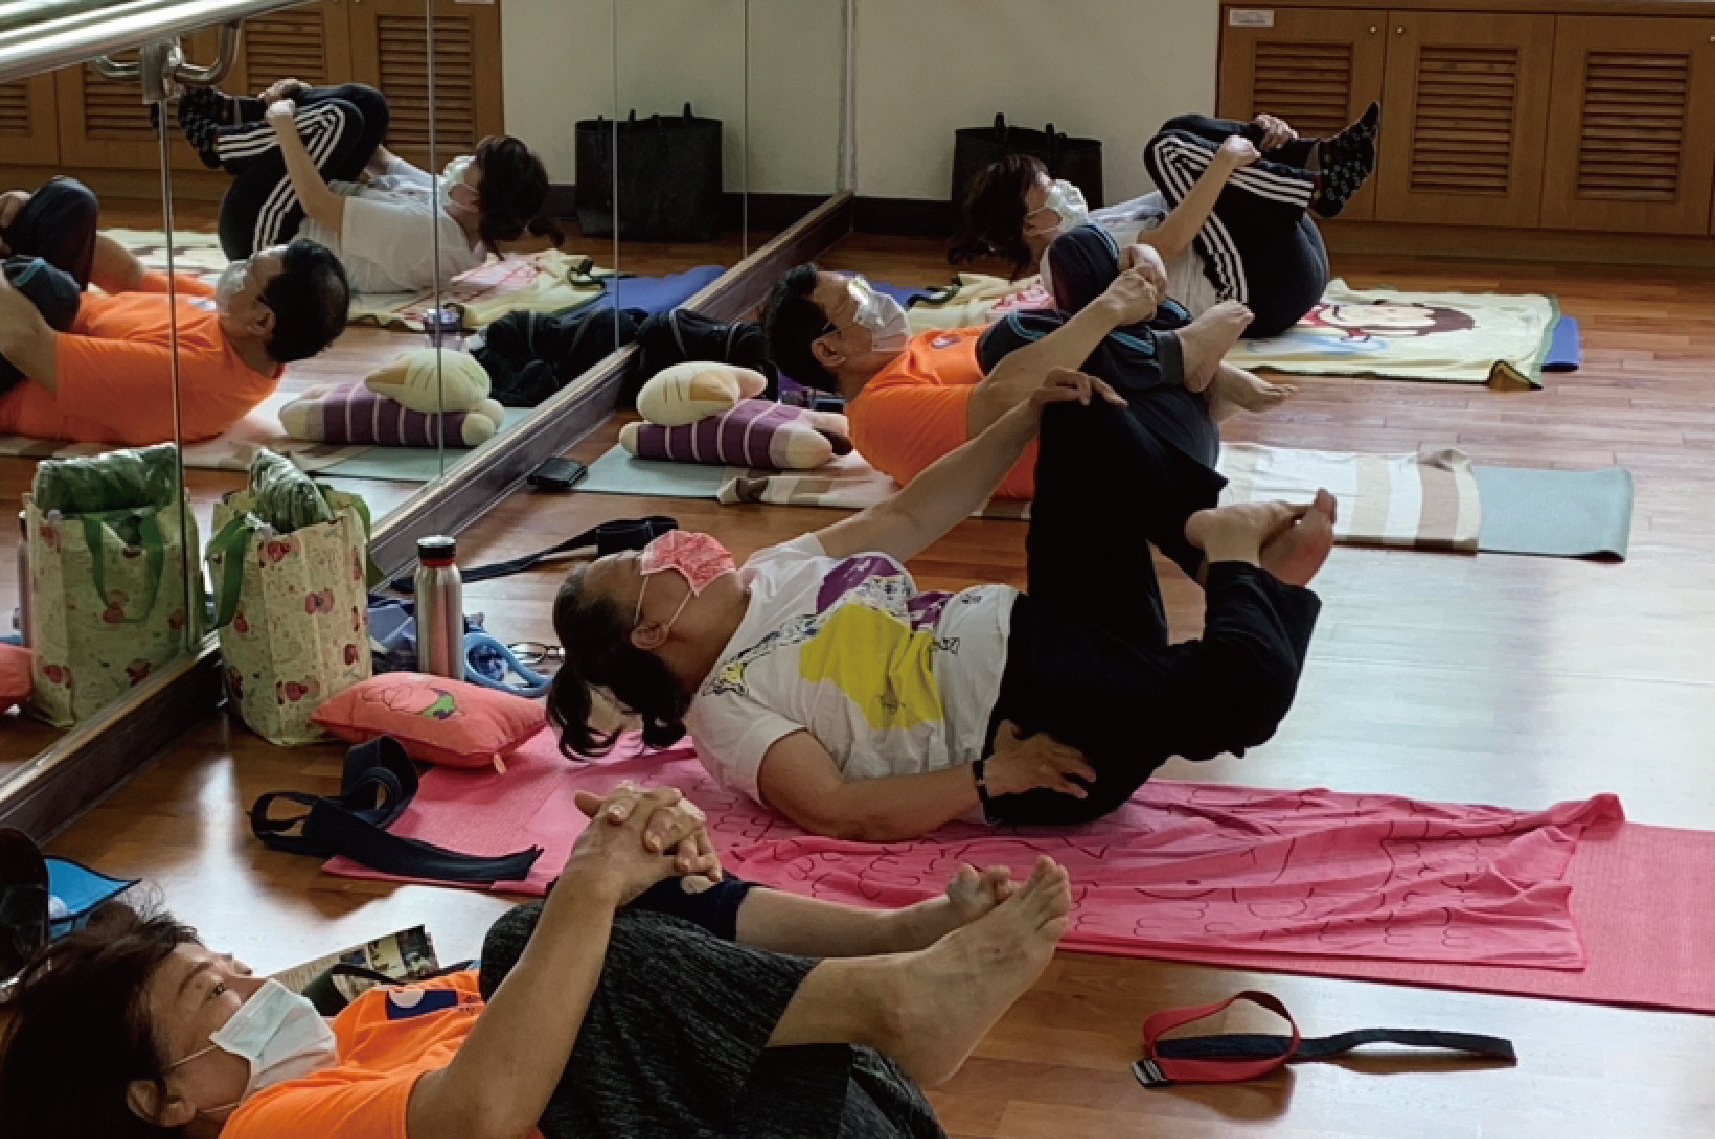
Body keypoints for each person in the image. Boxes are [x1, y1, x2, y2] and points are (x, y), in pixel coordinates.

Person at [0, 780, 1076, 1139]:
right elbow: (485, 1110)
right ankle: (898, 1004)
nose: (253, 983)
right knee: (542, 937)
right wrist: (590, 889)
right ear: (161, 1099)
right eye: (212, 991)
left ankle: (900, 947)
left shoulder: (362, 1031)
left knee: (569, 934)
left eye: (229, 960)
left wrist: (642, 848)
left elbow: (606, 985)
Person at [551, 249, 1336, 842]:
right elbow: (838, 808)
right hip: (1030, 726)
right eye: (645, 567)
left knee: (1077, 408)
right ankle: (1242, 571)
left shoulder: (769, 573)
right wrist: (990, 776)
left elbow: (911, 514)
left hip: (1035, 627)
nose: (669, 548)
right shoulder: (726, 712)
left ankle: (1217, 556)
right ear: (649, 632)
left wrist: (1022, 419)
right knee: (1244, 694)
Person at [759, 233, 1291, 501]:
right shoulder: (877, 416)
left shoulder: (921, 346)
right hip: (1152, 452)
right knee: (1008, 338)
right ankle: (1181, 356)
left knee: (1077, 252)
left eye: (861, 285)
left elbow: (1059, 323)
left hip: (1155, 409)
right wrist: (1110, 307)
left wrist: (1137, 268)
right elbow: (1005, 399)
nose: (874, 298)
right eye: (854, 300)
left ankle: (1190, 361)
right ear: (829, 351)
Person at [0, 176, 348, 445]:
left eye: (248, 272)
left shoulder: (195, 378)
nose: (234, 271)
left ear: (263, 321)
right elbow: (127, 274)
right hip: (23, 321)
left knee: (48, 288)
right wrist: (29, 212)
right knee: (70, 201)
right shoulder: (232, 319)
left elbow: (26, 344)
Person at [954, 108, 1381, 338]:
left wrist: (1256, 141)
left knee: (1177, 132)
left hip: (1287, 271)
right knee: (1165, 151)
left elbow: (1179, 194)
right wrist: (1225, 159)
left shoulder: (1088, 225)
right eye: (1049, 190)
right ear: (1029, 226)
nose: (1064, 188)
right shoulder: (1067, 260)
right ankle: (1313, 184)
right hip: (1259, 296)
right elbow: (1170, 241)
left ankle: (1309, 158)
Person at [177, 80, 562, 294]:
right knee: (367, 105)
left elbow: (316, 203)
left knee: (337, 118)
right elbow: (380, 158)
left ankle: (219, 142)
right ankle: (238, 121)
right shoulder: (461, 214)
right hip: (285, 209)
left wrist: (283, 122)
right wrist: (307, 98)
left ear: (473, 200)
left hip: (262, 234)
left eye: (473, 164)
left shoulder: (426, 236)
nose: (462, 162)